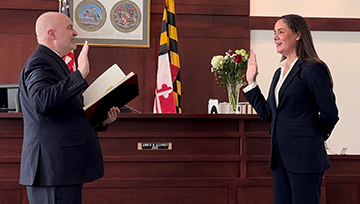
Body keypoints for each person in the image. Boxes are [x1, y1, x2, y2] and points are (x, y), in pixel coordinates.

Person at [18, 12, 120, 204]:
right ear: (52, 33)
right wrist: (80, 74)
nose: (75, 32)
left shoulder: (54, 62)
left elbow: (63, 111)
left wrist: (100, 119)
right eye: (69, 28)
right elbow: (42, 102)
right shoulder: (40, 61)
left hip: (60, 170)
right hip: (53, 171)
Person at [244, 14, 339, 204]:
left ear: (297, 34)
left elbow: (330, 114)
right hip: (280, 158)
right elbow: (267, 114)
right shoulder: (279, 72)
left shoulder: (312, 69)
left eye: (281, 31)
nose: (275, 37)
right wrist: (251, 82)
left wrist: (312, 137)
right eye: (274, 33)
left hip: (305, 158)